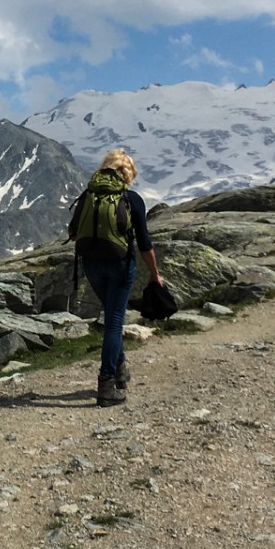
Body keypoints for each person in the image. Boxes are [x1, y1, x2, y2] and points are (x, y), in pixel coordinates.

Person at [71, 148, 162, 407]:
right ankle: (107, 384)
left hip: (91, 266)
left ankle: (120, 368)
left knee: (111, 317)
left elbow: (74, 233)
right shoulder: (131, 199)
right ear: (128, 174)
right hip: (120, 266)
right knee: (113, 323)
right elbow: (144, 244)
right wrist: (154, 275)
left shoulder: (88, 195)